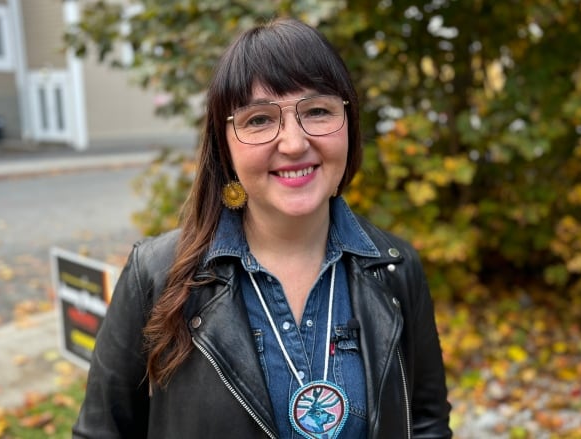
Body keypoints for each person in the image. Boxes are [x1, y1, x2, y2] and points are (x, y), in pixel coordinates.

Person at [73, 18, 451, 439]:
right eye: (258, 120)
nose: (293, 143)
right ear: (225, 144)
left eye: (317, 111)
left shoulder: (396, 269)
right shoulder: (156, 276)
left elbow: (426, 424)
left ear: (350, 124)